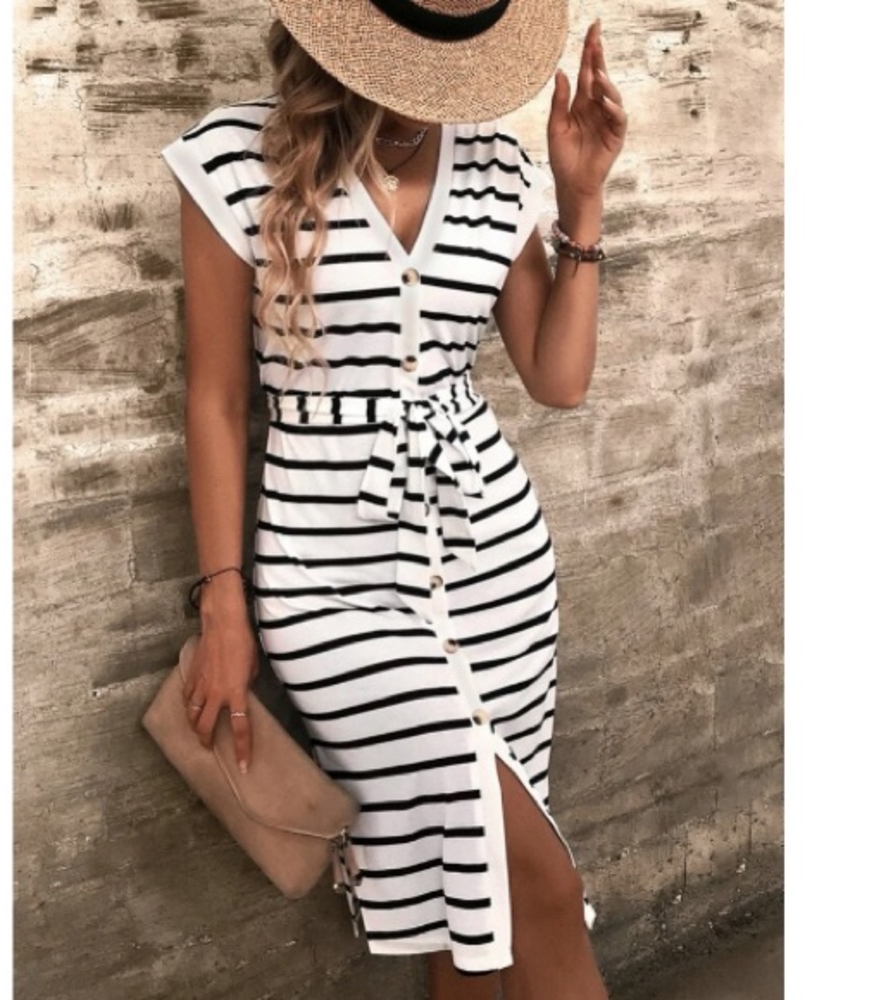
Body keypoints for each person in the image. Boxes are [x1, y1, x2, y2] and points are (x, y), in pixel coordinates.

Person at [161, 2, 626, 997]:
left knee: (476, 899)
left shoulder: (497, 171)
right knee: (541, 882)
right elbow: (216, 402)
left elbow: (557, 378)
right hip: (326, 582)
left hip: (496, 567)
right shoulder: (232, 163)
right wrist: (223, 602)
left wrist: (581, 201)